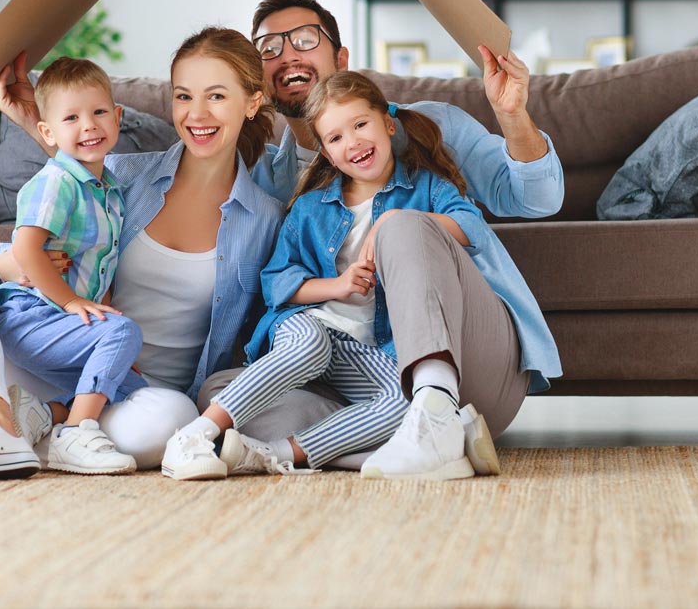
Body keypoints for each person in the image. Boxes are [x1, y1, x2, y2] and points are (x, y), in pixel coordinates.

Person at [0, 28, 285, 477]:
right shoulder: (126, 174)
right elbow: (60, 192)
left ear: (252, 102)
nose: (197, 114)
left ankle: (9, 433)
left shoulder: (265, 217)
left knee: (173, 422)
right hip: (57, 353)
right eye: (184, 96)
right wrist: (8, 263)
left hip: (136, 394)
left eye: (216, 96)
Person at [195, 0, 564, 477]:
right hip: (354, 374)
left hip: (469, 361)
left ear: (341, 57)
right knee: (225, 398)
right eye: (268, 48)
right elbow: (261, 282)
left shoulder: (431, 133)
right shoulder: (264, 178)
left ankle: (432, 410)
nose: (287, 56)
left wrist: (513, 113)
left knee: (403, 225)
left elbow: (538, 200)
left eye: (304, 39)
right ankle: (375, 443)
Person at [163, 71, 500, 480]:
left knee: (408, 400)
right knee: (267, 366)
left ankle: (278, 453)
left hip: (370, 351)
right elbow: (277, 282)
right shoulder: (310, 208)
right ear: (325, 153)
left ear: (388, 125)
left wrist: (398, 219)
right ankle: (196, 434)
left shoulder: (425, 188)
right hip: (311, 330)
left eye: (360, 125)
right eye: (336, 138)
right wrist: (338, 286)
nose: (353, 143)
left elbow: (473, 227)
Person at [0, 57, 140, 478]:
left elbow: (102, 269)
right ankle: (75, 433)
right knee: (126, 331)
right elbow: (26, 249)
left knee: (132, 386)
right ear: (47, 132)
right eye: (72, 117)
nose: (89, 126)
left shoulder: (112, 192)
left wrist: (102, 322)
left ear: (118, 117)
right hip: (31, 316)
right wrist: (69, 302)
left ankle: (39, 416)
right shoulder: (57, 182)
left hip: (62, 323)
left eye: (99, 112)